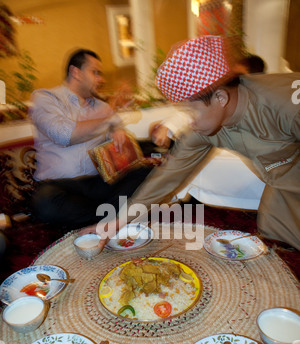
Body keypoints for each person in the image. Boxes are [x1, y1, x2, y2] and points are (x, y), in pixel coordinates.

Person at [82, 35, 300, 251]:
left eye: (191, 111)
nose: (190, 122)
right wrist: (117, 223)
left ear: (221, 98)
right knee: (273, 228)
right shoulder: (206, 127)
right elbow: (167, 177)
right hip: (281, 181)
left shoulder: (285, 104)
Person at [30, 49, 152, 229]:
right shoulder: (45, 98)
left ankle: (100, 219)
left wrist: (118, 131)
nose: (101, 79)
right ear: (76, 72)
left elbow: (117, 126)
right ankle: (111, 217)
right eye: (95, 72)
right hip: (61, 187)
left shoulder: (102, 106)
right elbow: (64, 135)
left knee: (146, 173)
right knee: (45, 204)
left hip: (100, 184)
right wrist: (111, 111)